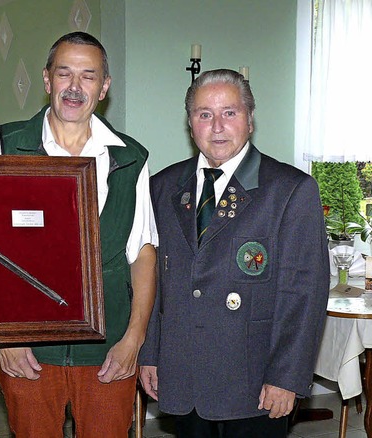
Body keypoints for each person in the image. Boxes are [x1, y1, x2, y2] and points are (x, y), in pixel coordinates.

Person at [0, 31, 158, 437]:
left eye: (88, 76)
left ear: (104, 87)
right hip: (28, 348)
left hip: (108, 349)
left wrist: (134, 339)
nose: (75, 87)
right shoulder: (4, 145)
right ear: (47, 80)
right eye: (65, 74)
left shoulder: (130, 158)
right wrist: (4, 338)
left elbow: (142, 253)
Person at [138, 69, 330, 437]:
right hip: (184, 374)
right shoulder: (162, 188)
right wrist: (150, 354)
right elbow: (154, 284)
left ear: (250, 119)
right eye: (204, 114)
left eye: (230, 112)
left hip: (254, 382)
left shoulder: (290, 191)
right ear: (190, 122)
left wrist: (286, 378)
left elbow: (303, 295)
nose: (217, 126)